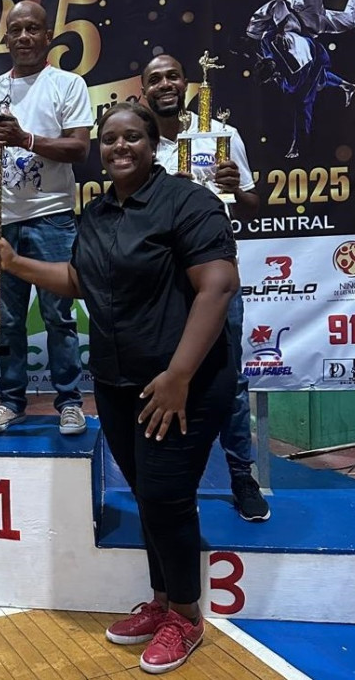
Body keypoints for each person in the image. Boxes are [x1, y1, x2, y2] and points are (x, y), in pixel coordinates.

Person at [0, 102, 238, 674]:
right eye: (110, 139)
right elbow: (80, 279)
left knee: (168, 497)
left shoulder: (187, 202)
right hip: (118, 382)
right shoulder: (98, 211)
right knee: (148, 495)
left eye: (132, 137)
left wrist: (178, 376)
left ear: (153, 144)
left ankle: (186, 617)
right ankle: (161, 601)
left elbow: (219, 286)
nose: (119, 146)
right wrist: (16, 263)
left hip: (184, 383)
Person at [141, 53, 270, 523]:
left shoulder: (222, 135)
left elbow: (252, 203)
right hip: (162, 282)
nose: (165, 84)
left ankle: (241, 476)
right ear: (144, 91)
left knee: (230, 381)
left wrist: (237, 186)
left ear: (186, 83)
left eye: (172, 76)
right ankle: (175, 482)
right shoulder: (140, 143)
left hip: (215, 278)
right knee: (165, 377)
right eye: (155, 79)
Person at [0, 0, 92, 436]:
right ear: (5, 38)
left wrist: (25, 138)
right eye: (16, 30)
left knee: (58, 316)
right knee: (7, 320)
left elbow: (79, 148)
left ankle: (69, 402)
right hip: (3, 219)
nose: (24, 37)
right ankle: (11, 402)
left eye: (32, 29)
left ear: (48, 36)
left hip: (52, 217)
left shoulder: (67, 83)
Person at [245, 0, 355, 158]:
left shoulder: (268, 40)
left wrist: (271, 29)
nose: (276, 71)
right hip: (315, 28)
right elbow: (307, 89)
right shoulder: (286, 78)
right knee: (350, 21)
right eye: (274, 74)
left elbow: (277, 4)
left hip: (301, 10)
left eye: (272, 68)